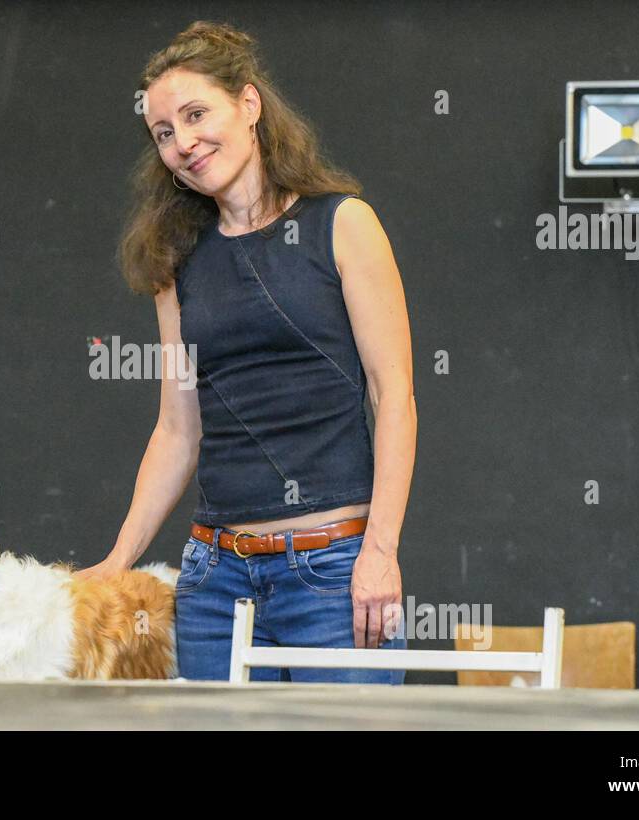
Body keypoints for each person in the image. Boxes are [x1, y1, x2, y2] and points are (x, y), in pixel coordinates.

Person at [76, 22, 417, 683]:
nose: (183, 143)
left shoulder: (342, 225)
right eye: (163, 133)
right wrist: (119, 559)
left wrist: (380, 552)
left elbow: (395, 398)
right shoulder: (176, 262)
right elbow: (178, 429)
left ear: (250, 104)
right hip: (215, 581)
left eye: (196, 114)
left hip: (333, 574)